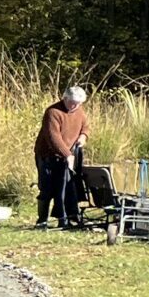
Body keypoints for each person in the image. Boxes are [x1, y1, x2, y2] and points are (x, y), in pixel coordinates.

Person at [35, 85, 92, 229]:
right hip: (47, 155)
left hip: (68, 155)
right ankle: (42, 221)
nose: (75, 106)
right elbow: (53, 137)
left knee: (67, 187)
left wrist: (83, 137)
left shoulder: (79, 111)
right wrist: (67, 154)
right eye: (72, 102)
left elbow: (85, 127)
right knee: (47, 188)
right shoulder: (53, 112)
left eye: (78, 103)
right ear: (65, 98)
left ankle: (65, 218)